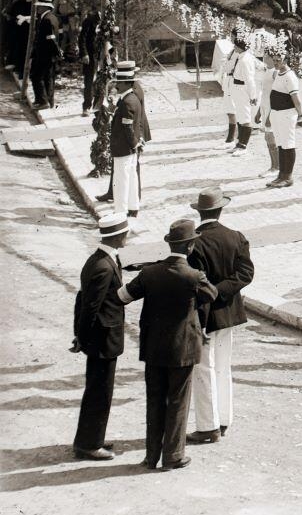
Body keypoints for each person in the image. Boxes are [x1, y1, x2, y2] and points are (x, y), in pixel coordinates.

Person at [117, 218, 217, 470]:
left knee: (154, 401)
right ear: (191, 247)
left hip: (153, 348)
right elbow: (212, 295)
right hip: (183, 349)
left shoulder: (149, 273)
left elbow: (123, 296)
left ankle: (151, 456)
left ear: (170, 244)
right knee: (178, 402)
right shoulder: (194, 276)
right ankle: (173, 455)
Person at [186, 187, 253, 445]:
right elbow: (245, 273)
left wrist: (211, 294)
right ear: (220, 210)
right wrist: (222, 291)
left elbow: (196, 287)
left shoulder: (195, 243)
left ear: (200, 212)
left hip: (205, 316)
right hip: (230, 312)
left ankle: (208, 426)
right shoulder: (235, 237)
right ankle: (224, 419)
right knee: (223, 367)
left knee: (204, 370)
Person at [72, 213, 130, 460]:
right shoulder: (104, 266)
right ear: (118, 236)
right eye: (126, 233)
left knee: (99, 390)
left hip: (101, 339)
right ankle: (88, 444)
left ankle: (93, 438)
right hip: (102, 340)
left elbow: (82, 300)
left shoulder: (101, 260)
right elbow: (89, 307)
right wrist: (81, 338)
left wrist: (79, 335)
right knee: (99, 392)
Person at [264, 47, 302, 189]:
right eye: (274, 60)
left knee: (288, 144)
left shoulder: (290, 76)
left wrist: (300, 115)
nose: (276, 63)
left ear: (286, 60)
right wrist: (270, 115)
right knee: (281, 144)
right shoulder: (278, 74)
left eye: (279, 60)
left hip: (287, 114)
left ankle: (288, 176)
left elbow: (296, 98)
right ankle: (281, 175)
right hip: (277, 114)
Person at [108, 60, 146, 219]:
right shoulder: (132, 98)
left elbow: (127, 127)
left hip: (124, 147)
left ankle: (120, 212)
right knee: (131, 177)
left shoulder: (127, 102)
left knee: (121, 180)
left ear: (125, 84)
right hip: (130, 147)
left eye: (118, 83)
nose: (116, 86)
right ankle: (133, 207)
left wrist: (134, 142)